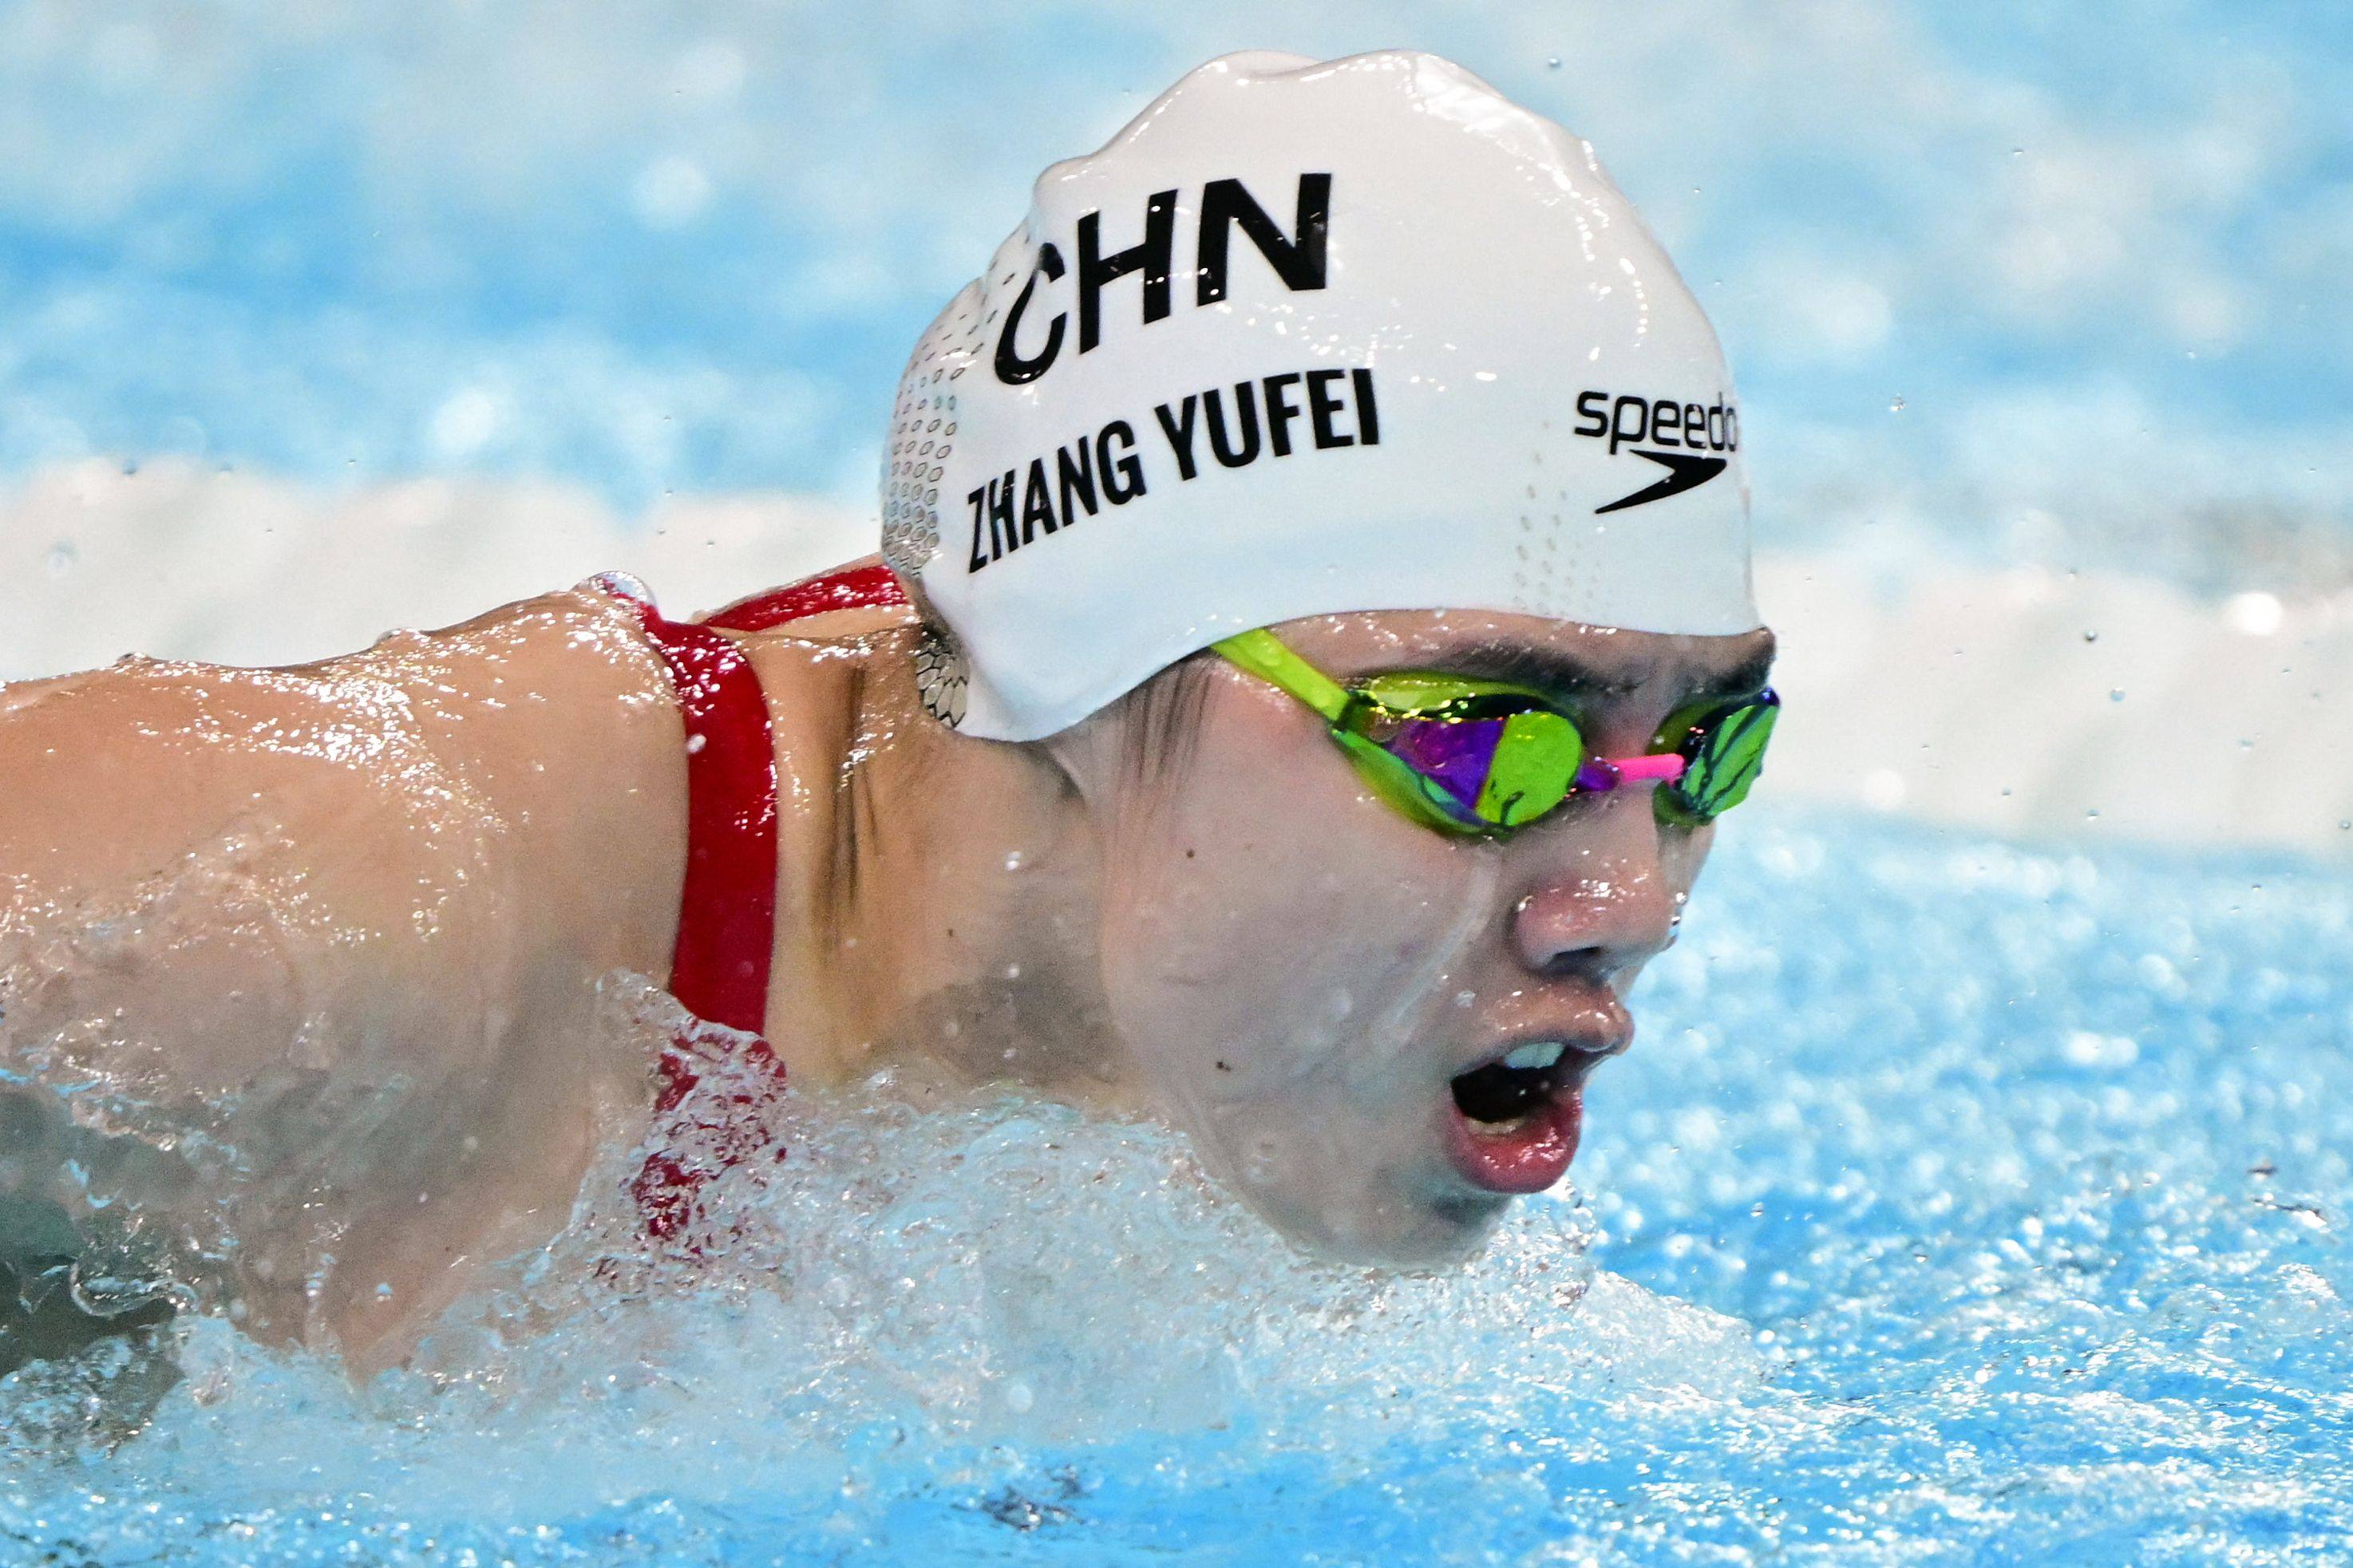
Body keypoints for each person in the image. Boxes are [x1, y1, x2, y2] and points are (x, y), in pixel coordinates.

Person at [0, 49, 1775, 1376]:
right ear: (1086, 666)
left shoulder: (1235, 1048)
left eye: (1700, 749)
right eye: (1472, 737)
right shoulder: (318, 914)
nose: (1636, 898)